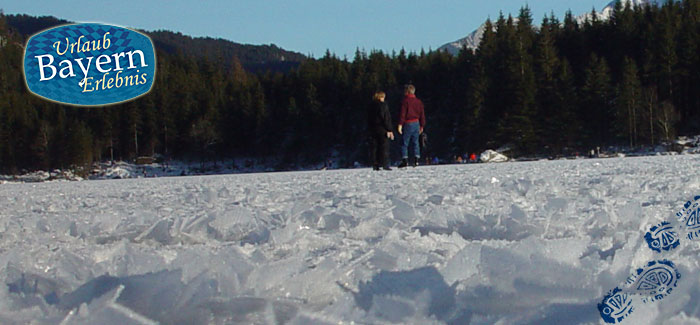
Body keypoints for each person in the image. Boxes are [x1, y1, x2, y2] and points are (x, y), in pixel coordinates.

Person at [397, 84, 425, 168]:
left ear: (407, 92)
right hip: (416, 122)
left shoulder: (405, 101)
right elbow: (422, 114)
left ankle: (405, 160)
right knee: (415, 142)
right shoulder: (418, 101)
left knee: (404, 143)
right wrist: (422, 125)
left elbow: (403, 114)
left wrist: (400, 124)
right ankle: (416, 159)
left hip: (408, 122)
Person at [367, 91, 394, 170]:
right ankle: (384, 164)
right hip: (382, 128)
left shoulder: (370, 106)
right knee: (384, 146)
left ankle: (375, 163)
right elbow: (385, 117)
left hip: (372, 128)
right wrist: (389, 129)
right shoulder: (383, 105)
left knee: (374, 147)